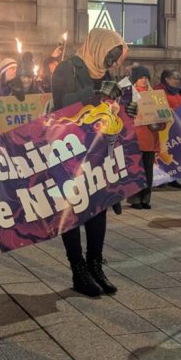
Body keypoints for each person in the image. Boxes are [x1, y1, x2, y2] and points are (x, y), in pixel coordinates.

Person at [51, 27, 132, 297]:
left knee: (98, 207)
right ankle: (78, 269)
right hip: (70, 149)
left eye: (116, 57)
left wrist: (124, 106)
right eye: (111, 54)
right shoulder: (67, 69)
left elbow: (109, 107)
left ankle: (95, 264)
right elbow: (61, 104)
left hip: (98, 149)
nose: (112, 62)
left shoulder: (105, 73)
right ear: (98, 46)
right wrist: (94, 95)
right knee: (72, 209)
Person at [127, 66, 162, 209]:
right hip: (134, 137)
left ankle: (146, 198)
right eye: (141, 77)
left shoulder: (154, 95)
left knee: (147, 170)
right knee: (135, 169)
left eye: (146, 77)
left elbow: (162, 115)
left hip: (149, 138)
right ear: (135, 79)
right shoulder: (129, 94)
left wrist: (159, 124)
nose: (144, 80)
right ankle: (135, 199)